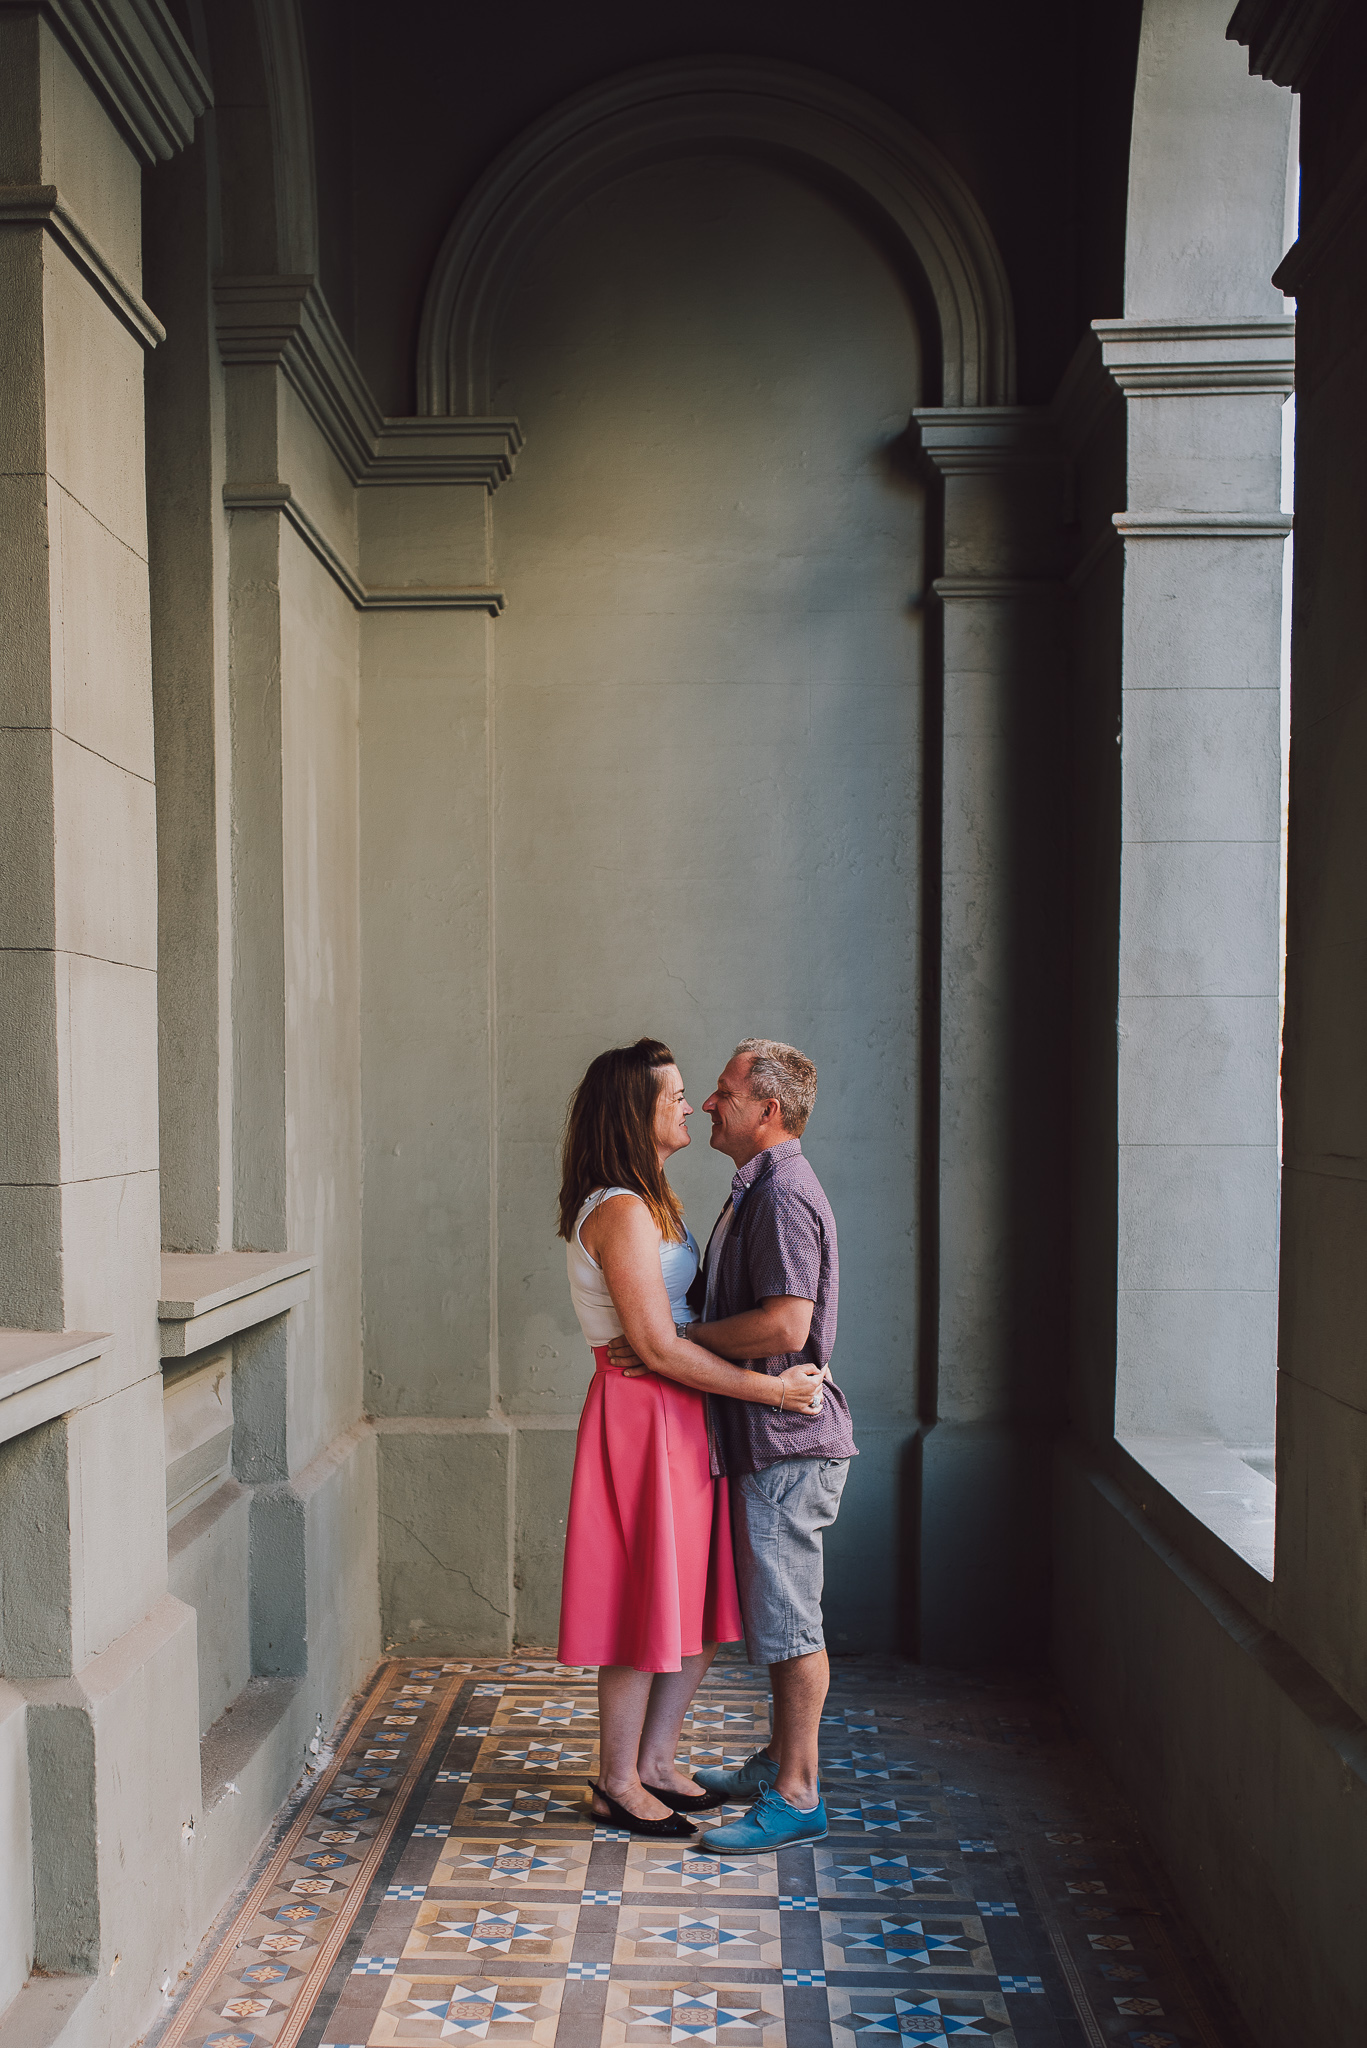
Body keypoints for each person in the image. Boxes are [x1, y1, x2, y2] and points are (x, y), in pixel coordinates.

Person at [556, 1036, 829, 1838]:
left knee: (699, 1599)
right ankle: (616, 1778)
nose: (689, 1105)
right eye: (674, 1094)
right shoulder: (620, 1208)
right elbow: (656, 1346)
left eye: (699, 1092)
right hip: (644, 1413)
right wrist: (774, 1387)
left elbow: (681, 1331)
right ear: (633, 1113)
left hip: (680, 1412)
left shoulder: (656, 1200)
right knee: (645, 1599)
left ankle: (655, 1761)